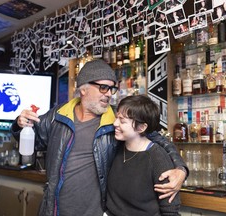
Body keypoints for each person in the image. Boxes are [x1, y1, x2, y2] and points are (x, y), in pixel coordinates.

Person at [11, 59, 188, 216]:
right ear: (83, 88)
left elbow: (158, 140)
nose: (109, 94)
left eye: (112, 88)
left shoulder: (116, 119)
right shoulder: (57, 116)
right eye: (103, 87)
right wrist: (20, 125)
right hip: (55, 209)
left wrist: (180, 169)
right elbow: (33, 142)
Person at [106, 95, 181, 215]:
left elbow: (170, 211)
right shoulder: (117, 148)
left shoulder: (157, 158)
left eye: (122, 121)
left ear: (141, 127)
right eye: (116, 118)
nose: (115, 123)